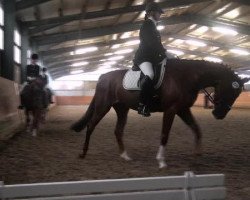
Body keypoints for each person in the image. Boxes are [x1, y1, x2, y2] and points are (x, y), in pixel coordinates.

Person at [133, 2, 166, 117]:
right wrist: (164, 52)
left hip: (152, 58)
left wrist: (165, 53)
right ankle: (142, 105)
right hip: (143, 57)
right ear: (152, 13)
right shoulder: (147, 25)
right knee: (150, 74)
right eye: (158, 13)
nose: (160, 15)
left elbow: (158, 44)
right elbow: (152, 43)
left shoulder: (154, 27)